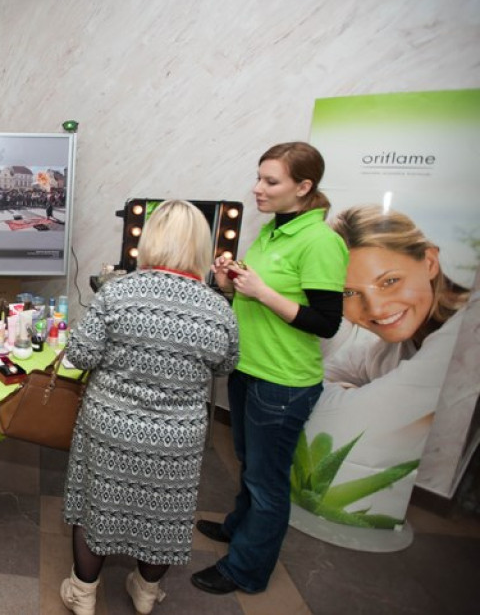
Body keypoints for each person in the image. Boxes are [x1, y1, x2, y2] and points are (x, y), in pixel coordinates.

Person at [59, 200, 240, 615]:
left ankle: (83, 594)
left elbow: (82, 355)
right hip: (178, 435)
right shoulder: (217, 308)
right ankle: (145, 592)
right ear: (201, 247)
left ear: (150, 239)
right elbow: (226, 364)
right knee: (163, 511)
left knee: (96, 505)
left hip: (111, 424)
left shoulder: (118, 293)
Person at [191, 142, 348, 595]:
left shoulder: (321, 242)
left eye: (270, 181)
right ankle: (241, 527)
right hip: (250, 369)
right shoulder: (274, 231)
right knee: (250, 464)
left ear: (303, 187)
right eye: (258, 177)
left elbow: (326, 321)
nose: (257, 188)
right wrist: (231, 283)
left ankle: (247, 570)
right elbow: (257, 296)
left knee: (267, 481)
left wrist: (262, 293)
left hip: (282, 382)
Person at [297, 205, 472, 517]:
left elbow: (348, 414)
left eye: (390, 281)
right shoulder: (388, 345)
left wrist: (358, 399)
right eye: (349, 292)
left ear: (430, 263)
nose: (376, 309)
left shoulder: (464, 335)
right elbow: (311, 384)